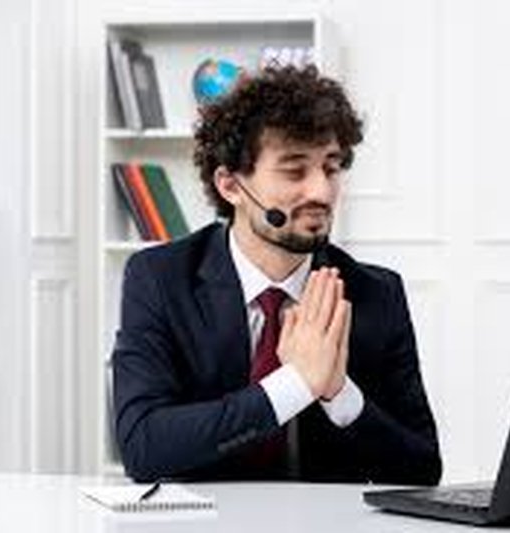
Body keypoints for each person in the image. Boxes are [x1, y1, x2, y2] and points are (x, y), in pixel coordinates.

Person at [112, 65, 442, 485]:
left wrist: (338, 393)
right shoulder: (159, 278)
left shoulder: (376, 292)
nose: (321, 192)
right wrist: (295, 385)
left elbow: (423, 467)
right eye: (294, 170)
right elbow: (144, 448)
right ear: (231, 186)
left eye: (331, 167)